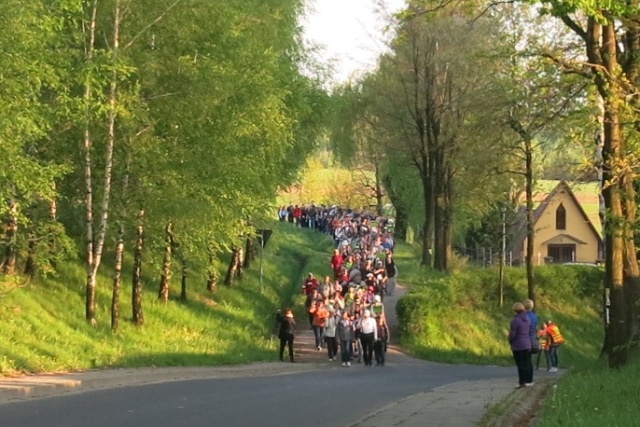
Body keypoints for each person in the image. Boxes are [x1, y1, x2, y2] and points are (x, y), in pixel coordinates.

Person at [509, 302, 533, 388]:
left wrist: (510, 341)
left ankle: (521, 382)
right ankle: (529, 380)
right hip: (527, 343)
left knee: (520, 364)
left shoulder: (515, 321)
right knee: (527, 363)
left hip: (518, 345)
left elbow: (513, 334)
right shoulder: (527, 319)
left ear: (515, 311)